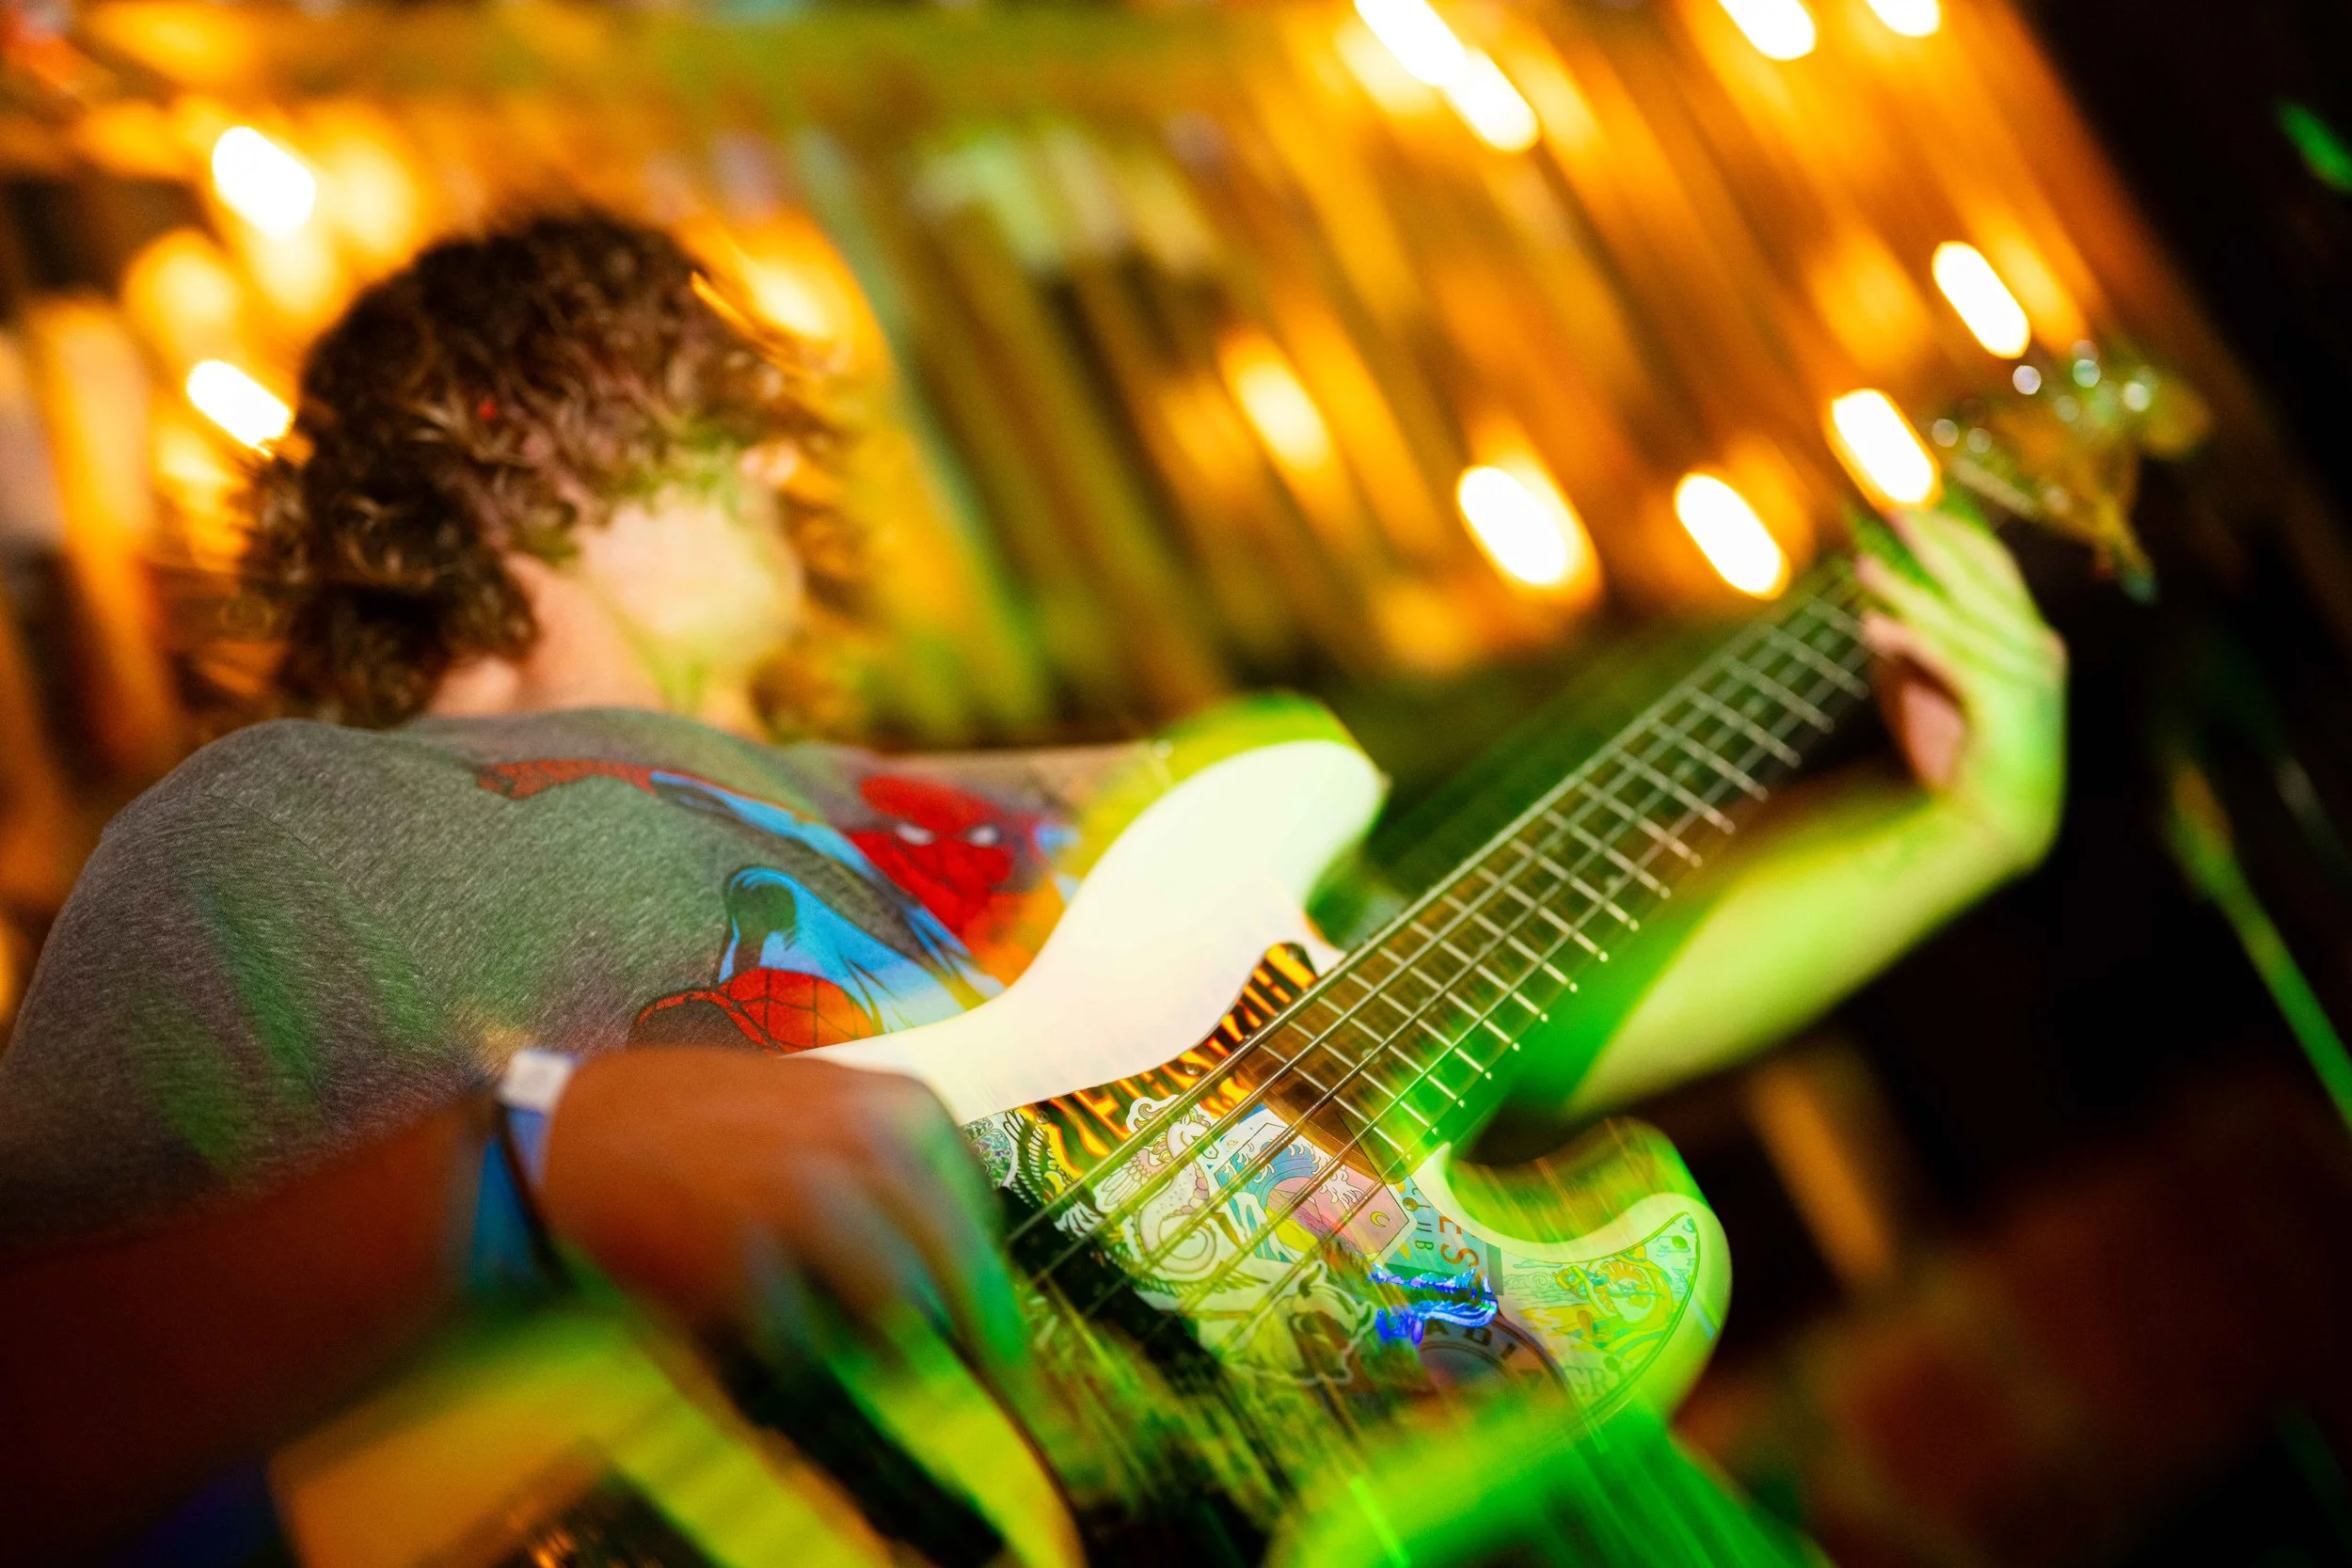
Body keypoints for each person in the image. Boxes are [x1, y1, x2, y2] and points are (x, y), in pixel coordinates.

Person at [0, 214, 2065, 1560]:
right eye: (692, 401)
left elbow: (1504, 1045)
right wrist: (515, 1177)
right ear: (489, 428)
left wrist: (1956, 830)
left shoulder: (1065, 813)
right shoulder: (293, 830)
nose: (763, 453)